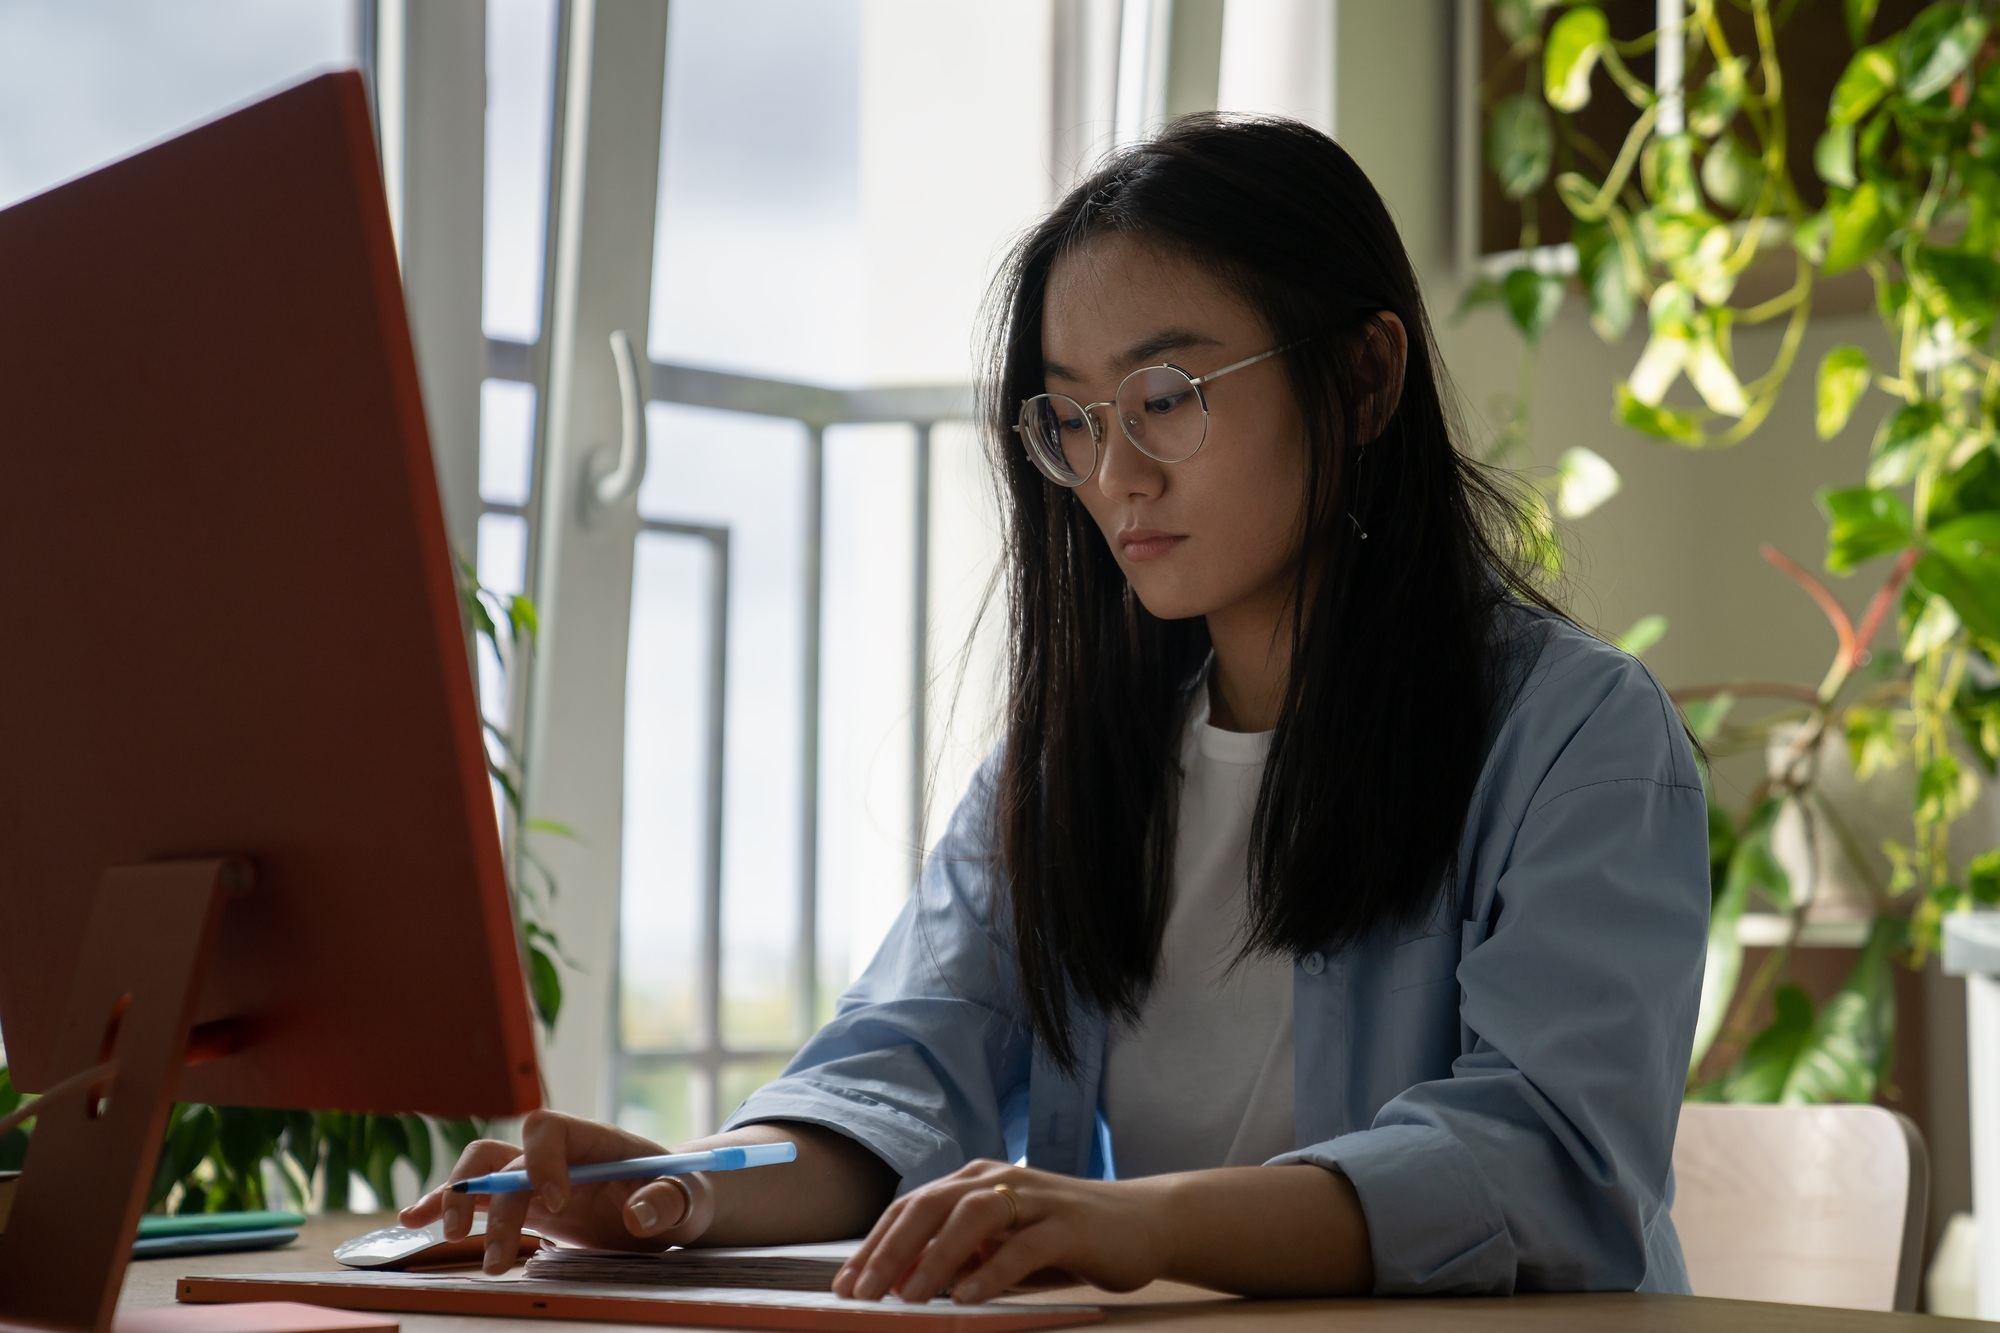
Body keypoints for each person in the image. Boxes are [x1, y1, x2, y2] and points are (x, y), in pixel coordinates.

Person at [402, 113, 1709, 1303]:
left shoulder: (1577, 740)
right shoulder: (1073, 764)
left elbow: (1545, 1157)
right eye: (1074, 421)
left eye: (1166, 398)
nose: (1114, 476)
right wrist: (680, 1195)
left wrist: (1140, 1225)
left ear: (1367, 379)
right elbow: (905, 1060)